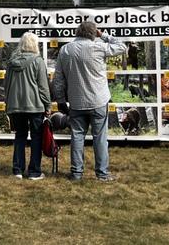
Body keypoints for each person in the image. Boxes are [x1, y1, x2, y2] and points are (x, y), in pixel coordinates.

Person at [51, 21, 127, 182]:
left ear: (77, 32)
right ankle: (102, 174)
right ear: (93, 33)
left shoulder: (65, 50)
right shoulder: (99, 47)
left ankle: (76, 173)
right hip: (99, 101)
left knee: (77, 137)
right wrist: (103, 35)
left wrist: (60, 99)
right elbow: (122, 47)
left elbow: (58, 79)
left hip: (76, 102)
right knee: (100, 138)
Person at [4, 32, 51, 180]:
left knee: (20, 136)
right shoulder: (38, 61)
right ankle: (34, 172)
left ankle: (17, 170)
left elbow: (6, 85)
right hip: (35, 106)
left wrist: (8, 102)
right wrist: (47, 105)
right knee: (36, 137)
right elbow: (43, 86)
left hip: (16, 105)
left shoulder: (11, 62)